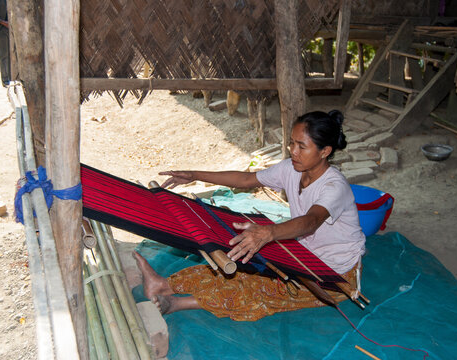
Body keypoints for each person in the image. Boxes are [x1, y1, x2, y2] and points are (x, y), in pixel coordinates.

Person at [133, 110, 366, 321]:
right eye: (292, 144)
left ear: (325, 151)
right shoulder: (290, 169)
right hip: (301, 255)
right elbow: (246, 180)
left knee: (267, 288)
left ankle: (176, 302)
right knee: (237, 263)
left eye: (301, 146)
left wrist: (269, 232)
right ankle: (163, 285)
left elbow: (311, 221)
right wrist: (194, 174)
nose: (293, 152)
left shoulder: (334, 186)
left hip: (333, 273)